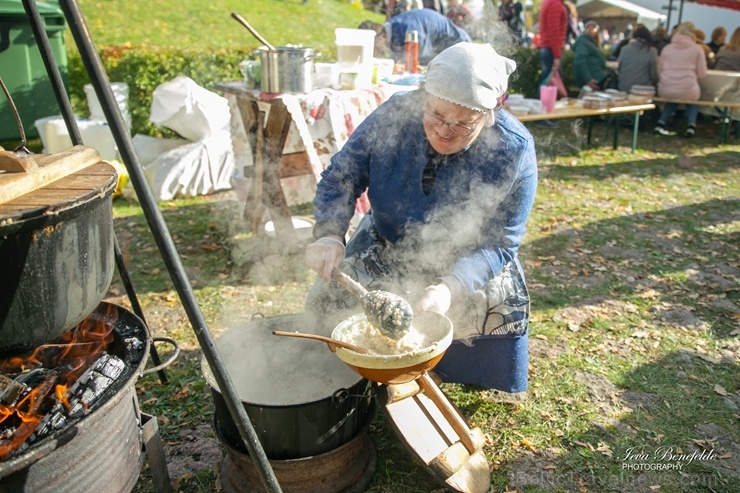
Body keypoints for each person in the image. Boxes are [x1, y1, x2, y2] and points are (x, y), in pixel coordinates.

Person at [304, 42, 537, 394]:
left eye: (464, 124)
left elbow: (501, 241)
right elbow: (342, 176)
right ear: (423, 96)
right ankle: (348, 369)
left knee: (500, 306)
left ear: (489, 114)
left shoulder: (513, 149)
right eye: (436, 115)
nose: (445, 130)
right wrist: (329, 233)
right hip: (387, 237)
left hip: (466, 259)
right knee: (328, 294)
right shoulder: (395, 116)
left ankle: (466, 373)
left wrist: (449, 287)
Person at [359, 8, 471, 66]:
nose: (375, 51)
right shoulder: (394, 28)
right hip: (445, 47)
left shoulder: (408, 29)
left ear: (380, 37)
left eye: (373, 47)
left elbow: (421, 60)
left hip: (461, 46)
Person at [654, 22, 708, 138]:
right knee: (693, 98)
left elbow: (659, 70)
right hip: (688, 87)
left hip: (666, 88)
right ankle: (691, 125)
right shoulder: (697, 49)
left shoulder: (667, 48)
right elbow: (702, 74)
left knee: (674, 96)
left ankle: (661, 121)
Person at [537, 0, 568, 127]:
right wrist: (557, 55)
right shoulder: (554, 4)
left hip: (547, 48)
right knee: (548, 86)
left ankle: (543, 116)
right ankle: (542, 117)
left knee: (546, 84)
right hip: (550, 49)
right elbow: (553, 32)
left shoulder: (549, 2)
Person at [617, 25, 658, 93]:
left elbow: (619, 69)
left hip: (623, 87)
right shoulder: (651, 51)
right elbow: (653, 76)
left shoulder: (624, 49)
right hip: (642, 90)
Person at [573, 20, 612, 90]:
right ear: (585, 29)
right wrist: (588, 79)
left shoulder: (592, 43)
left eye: (593, 28)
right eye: (589, 27)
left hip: (598, 75)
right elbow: (580, 61)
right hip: (595, 78)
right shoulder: (583, 42)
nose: (591, 30)